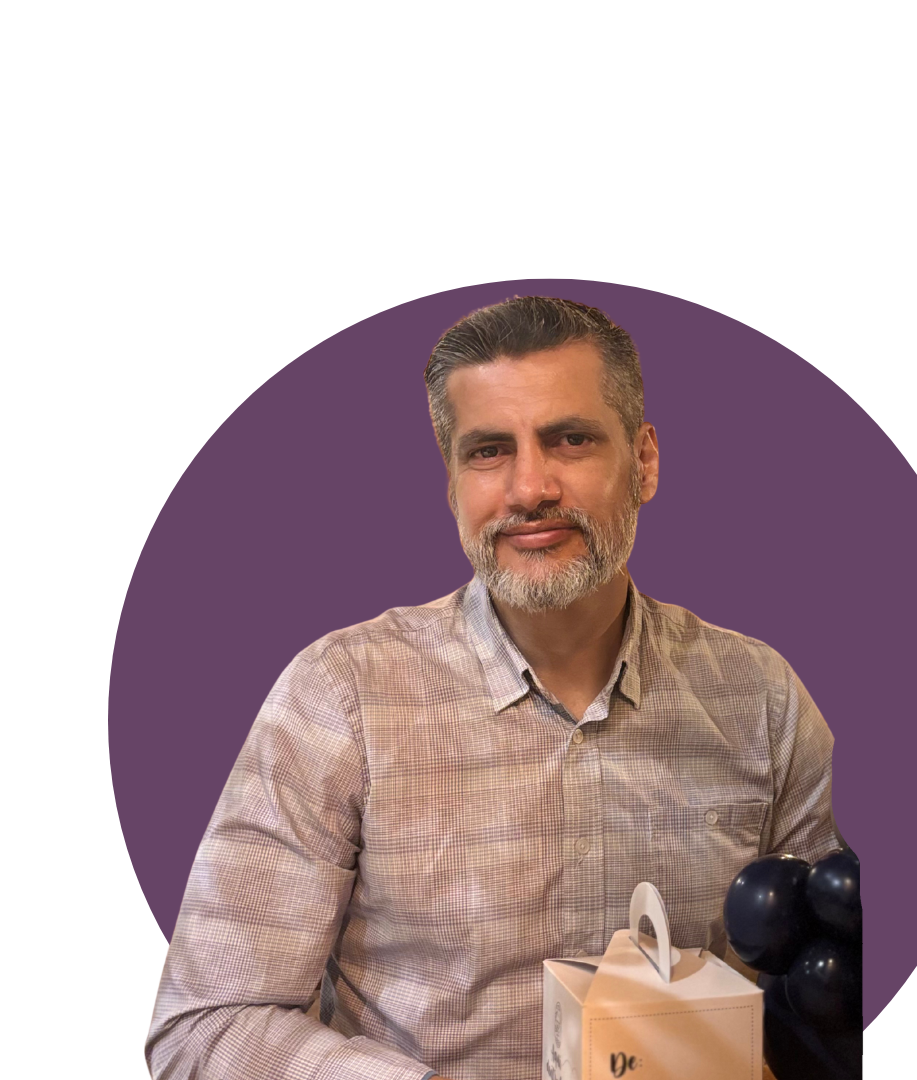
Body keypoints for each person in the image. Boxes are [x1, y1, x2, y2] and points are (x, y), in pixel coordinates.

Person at [144, 296, 841, 1080]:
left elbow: (827, 985)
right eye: (488, 451)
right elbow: (205, 1028)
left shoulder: (761, 698)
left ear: (644, 461)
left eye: (570, 439)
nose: (529, 487)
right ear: (452, 484)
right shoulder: (341, 694)